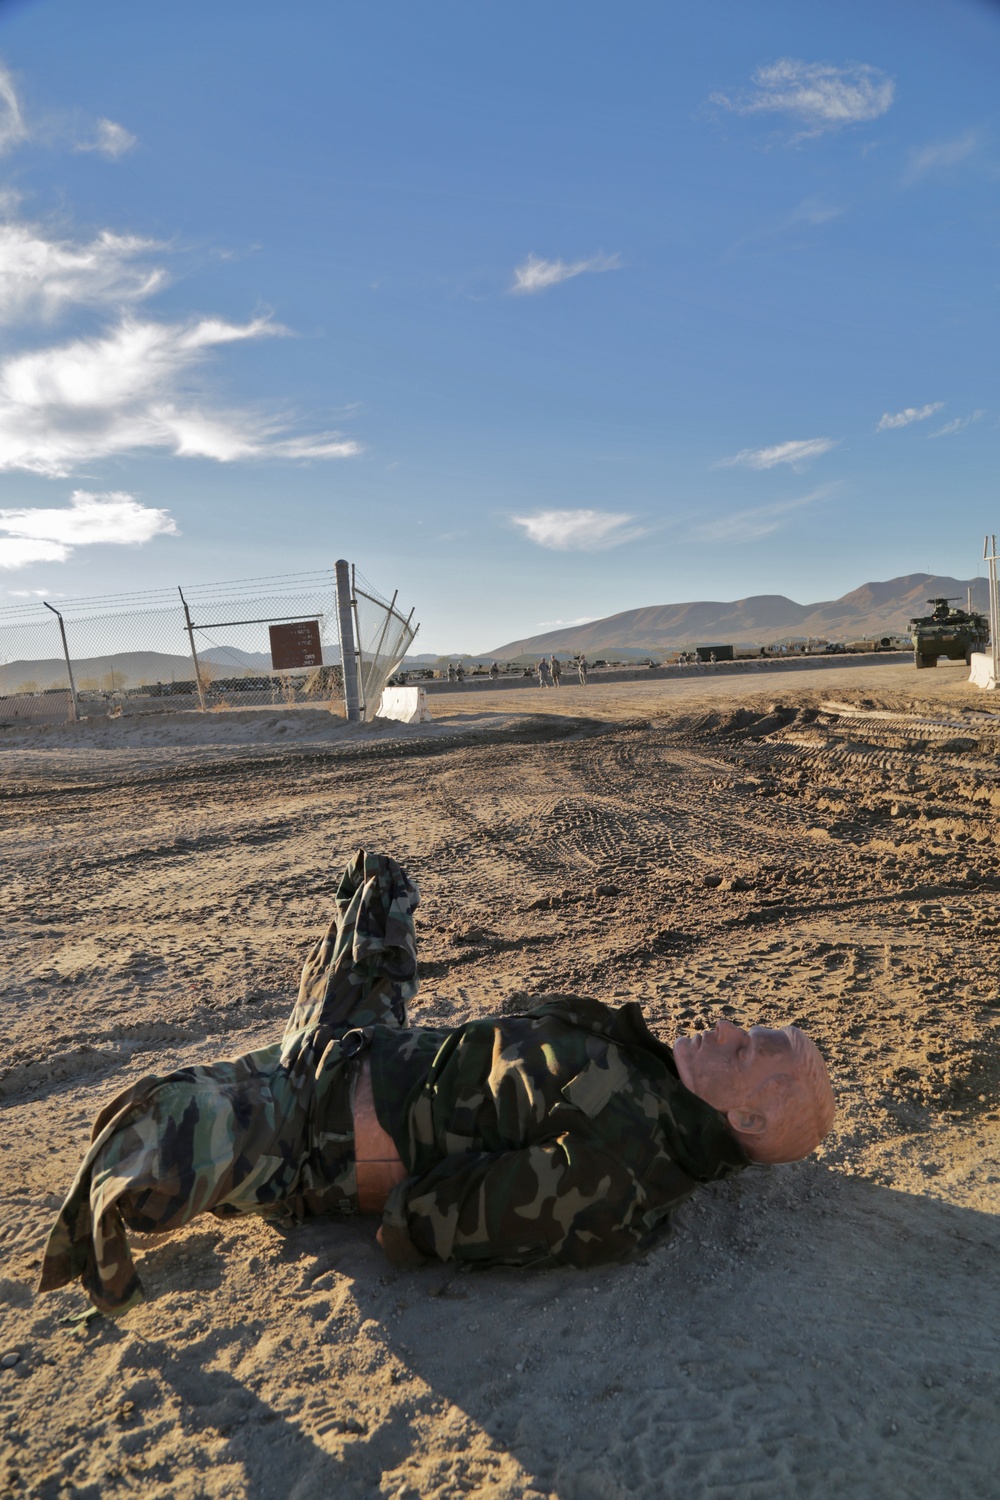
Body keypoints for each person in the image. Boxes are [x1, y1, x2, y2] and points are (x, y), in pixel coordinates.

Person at [39, 850, 835, 1316]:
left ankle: (113, 1275)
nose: (729, 1028)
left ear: (752, 1119)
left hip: (311, 1130)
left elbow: (432, 1219)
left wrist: (372, 1163)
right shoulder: (657, 1079)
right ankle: (303, 1046)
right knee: (380, 883)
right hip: (365, 1048)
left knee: (145, 1126)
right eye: (748, 1029)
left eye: (748, 1049)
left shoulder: (619, 1170)